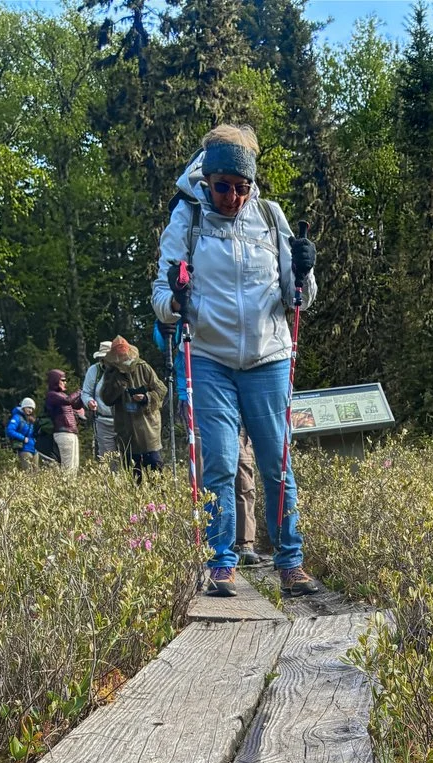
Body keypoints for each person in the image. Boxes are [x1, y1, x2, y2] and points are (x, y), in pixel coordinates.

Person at [152, 123, 319, 598]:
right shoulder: (187, 219)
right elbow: (162, 294)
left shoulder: (270, 216)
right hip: (209, 357)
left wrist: (305, 270)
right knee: (221, 463)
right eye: (223, 187)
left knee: (276, 462)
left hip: (268, 356)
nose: (232, 197)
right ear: (207, 180)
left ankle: (290, 561)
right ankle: (220, 562)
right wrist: (176, 302)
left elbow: (297, 297)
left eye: (241, 188)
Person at [155, 320, 263, 563]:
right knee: (209, 470)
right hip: (197, 395)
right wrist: (167, 324)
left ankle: (245, 542)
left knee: (243, 467)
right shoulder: (181, 299)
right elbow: (164, 343)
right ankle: (214, 540)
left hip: (240, 390)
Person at [99, 336, 168, 482]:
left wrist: (145, 397)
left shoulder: (143, 367)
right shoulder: (111, 373)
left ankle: (160, 501)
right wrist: (118, 385)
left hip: (147, 427)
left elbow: (161, 389)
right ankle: (137, 501)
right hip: (126, 429)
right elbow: (106, 399)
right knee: (133, 474)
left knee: (155, 467)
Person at [81, 341, 119, 469]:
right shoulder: (94, 370)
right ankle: (112, 486)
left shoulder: (122, 369)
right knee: (108, 460)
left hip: (123, 421)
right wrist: (89, 402)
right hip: (102, 421)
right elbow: (85, 393)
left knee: (127, 457)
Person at [44, 369, 86, 474]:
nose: (65, 382)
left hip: (71, 432)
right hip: (63, 433)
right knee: (68, 466)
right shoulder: (52, 395)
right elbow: (68, 401)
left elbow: (76, 405)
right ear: (55, 381)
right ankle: (66, 487)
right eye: (62, 380)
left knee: (74, 466)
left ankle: (71, 486)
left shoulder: (61, 395)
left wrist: (82, 397)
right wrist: (79, 391)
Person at [5, 396, 38, 469]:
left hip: (34, 450)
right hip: (24, 449)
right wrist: (23, 438)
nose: (30, 410)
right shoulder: (17, 417)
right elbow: (10, 430)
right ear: (23, 407)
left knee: (36, 474)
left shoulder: (31, 420)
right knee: (28, 474)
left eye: (32, 409)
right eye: (29, 407)